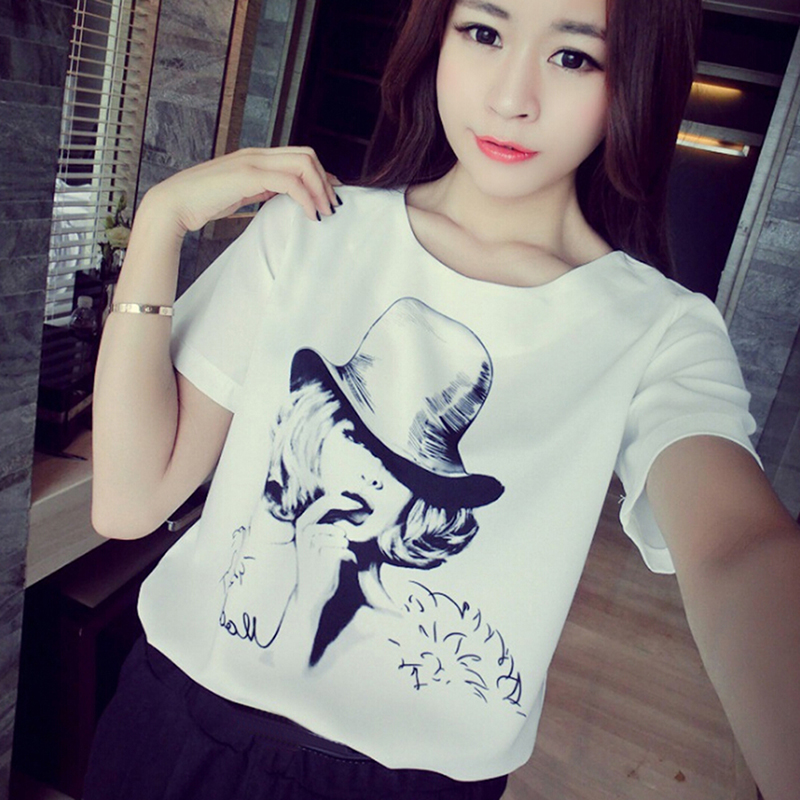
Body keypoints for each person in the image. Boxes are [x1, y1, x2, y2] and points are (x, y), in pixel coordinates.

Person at [87, 0, 800, 797]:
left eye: (573, 57)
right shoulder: (310, 233)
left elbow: (738, 547)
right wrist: (160, 220)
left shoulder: (657, 331)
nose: (511, 98)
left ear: (633, 80)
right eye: (484, 34)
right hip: (172, 731)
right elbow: (128, 502)